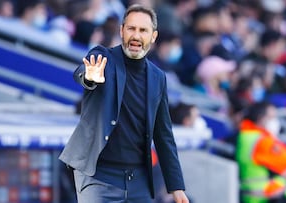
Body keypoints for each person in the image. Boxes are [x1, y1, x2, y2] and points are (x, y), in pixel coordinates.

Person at [59, 4, 189, 203]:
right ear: (121, 31)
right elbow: (82, 73)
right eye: (131, 28)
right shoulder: (103, 57)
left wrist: (176, 186)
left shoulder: (157, 77)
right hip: (98, 175)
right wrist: (90, 78)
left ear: (153, 37)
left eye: (143, 30)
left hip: (138, 179)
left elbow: (163, 135)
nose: (136, 35)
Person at [235, 102, 286, 203]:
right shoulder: (261, 140)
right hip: (264, 198)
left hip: (255, 195)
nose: (275, 122)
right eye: (272, 117)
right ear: (260, 118)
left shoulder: (247, 134)